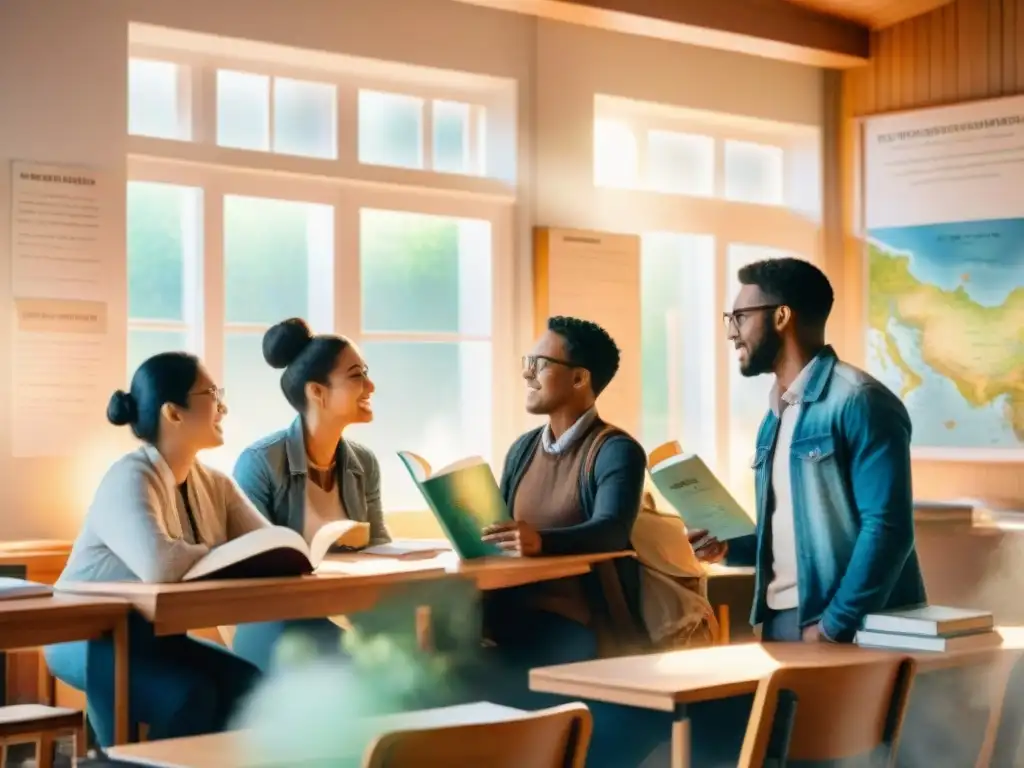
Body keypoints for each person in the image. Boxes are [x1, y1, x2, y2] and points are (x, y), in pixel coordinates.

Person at [44, 353, 266, 747]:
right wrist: (223, 552)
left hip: (154, 635)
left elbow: (266, 547)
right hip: (83, 636)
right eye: (213, 394)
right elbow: (160, 565)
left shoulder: (215, 483)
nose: (224, 406)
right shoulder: (128, 477)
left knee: (250, 687)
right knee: (191, 695)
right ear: (173, 413)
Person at [701, 256, 927, 643]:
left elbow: (888, 529)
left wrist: (835, 624)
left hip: (846, 627)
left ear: (781, 316)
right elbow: (792, 530)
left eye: (739, 317)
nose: (731, 333)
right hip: (781, 620)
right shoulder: (775, 415)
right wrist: (726, 547)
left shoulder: (861, 401)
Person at [479, 316, 672, 768]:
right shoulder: (523, 449)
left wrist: (539, 542)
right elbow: (506, 530)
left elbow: (611, 530)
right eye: (528, 361)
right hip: (511, 616)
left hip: (581, 626)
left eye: (540, 363)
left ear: (580, 377)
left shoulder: (615, 450)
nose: (527, 372)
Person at [231, 318, 390, 671]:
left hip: (348, 619)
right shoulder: (259, 463)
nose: (370, 385)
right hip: (278, 625)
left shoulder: (364, 463)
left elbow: (379, 547)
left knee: (424, 660)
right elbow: (249, 572)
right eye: (356, 375)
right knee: (360, 666)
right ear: (317, 392)